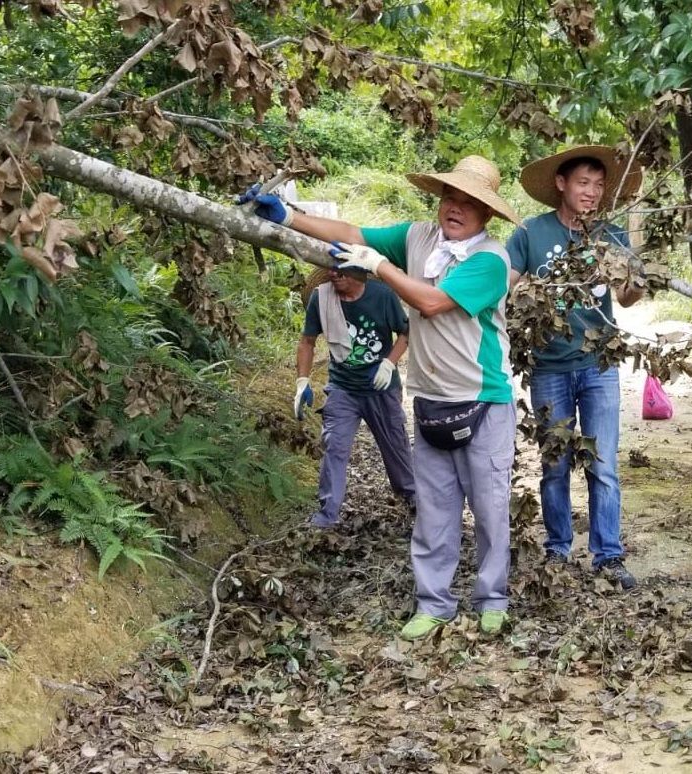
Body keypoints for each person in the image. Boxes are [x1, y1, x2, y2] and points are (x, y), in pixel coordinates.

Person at [242, 156, 521, 640]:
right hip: (431, 396)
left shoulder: (490, 260)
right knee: (434, 507)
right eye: (449, 197)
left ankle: (492, 597)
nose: (455, 208)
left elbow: (431, 303)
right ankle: (434, 602)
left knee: (490, 505)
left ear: (486, 213)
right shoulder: (417, 237)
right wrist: (289, 216)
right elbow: (352, 231)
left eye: (469, 203)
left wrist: (381, 268)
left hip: (483, 398)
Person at [507, 146, 644, 589]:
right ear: (561, 184)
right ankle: (558, 550)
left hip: (598, 364)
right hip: (548, 367)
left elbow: (628, 297)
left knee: (602, 464)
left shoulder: (611, 234)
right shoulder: (531, 234)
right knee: (554, 463)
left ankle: (608, 556)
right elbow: (504, 288)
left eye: (599, 185)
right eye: (583, 183)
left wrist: (630, 276)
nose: (592, 192)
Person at [294, 266, 414, 528]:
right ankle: (327, 515)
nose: (335, 276)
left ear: (359, 272)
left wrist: (389, 363)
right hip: (342, 387)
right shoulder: (322, 298)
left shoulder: (382, 296)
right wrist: (302, 380)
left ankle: (412, 496)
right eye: (332, 271)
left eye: (342, 271)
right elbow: (307, 341)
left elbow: (407, 332)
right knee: (334, 446)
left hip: (380, 388)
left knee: (395, 445)